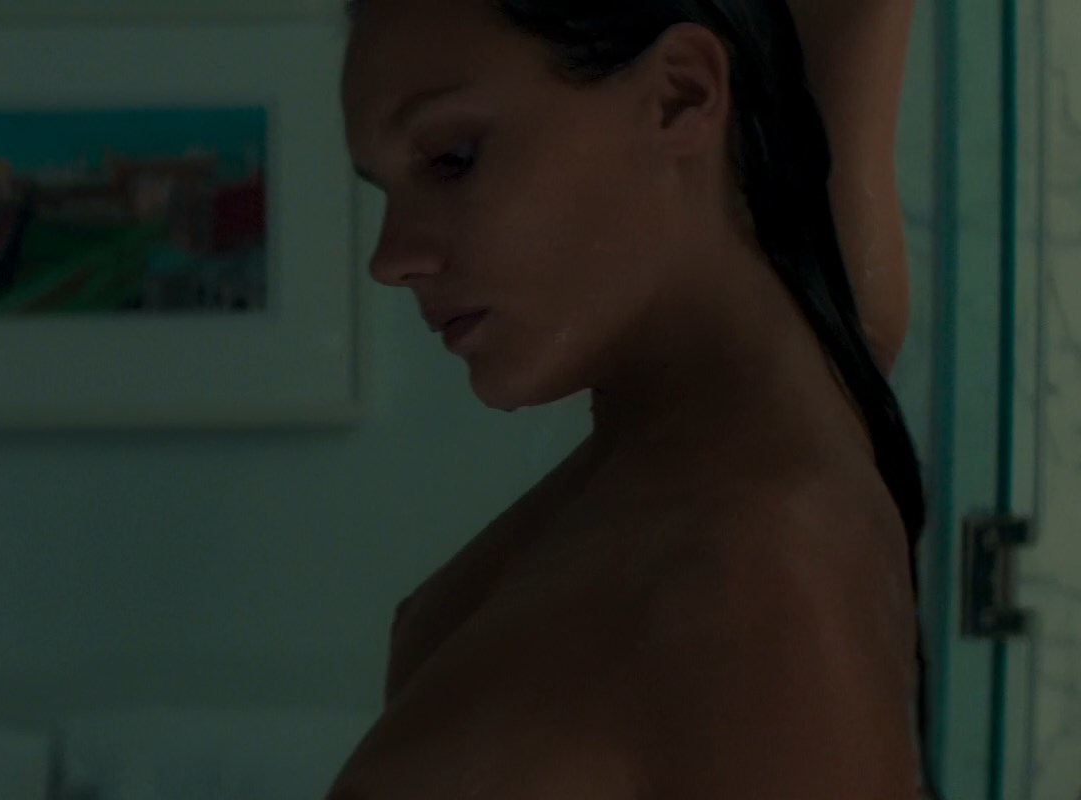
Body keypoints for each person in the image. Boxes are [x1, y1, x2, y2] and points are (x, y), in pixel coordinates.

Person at [329, 0, 927, 797]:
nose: (389, 259)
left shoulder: (763, 572)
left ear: (680, 94)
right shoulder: (779, 386)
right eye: (387, 189)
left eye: (451, 160)